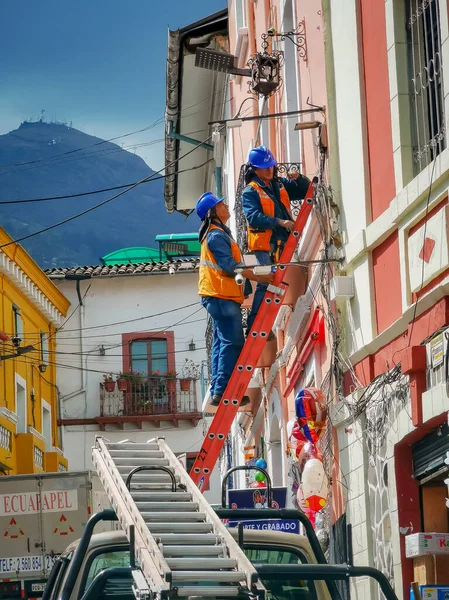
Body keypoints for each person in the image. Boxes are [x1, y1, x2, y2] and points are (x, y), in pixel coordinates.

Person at [197, 192, 274, 407]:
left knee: (222, 342)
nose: (227, 206)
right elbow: (230, 267)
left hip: (219, 295)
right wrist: (259, 276)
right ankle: (222, 391)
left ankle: (217, 390)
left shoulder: (217, 233)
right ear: (213, 212)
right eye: (222, 204)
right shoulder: (215, 236)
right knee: (233, 342)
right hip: (221, 296)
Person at [242, 145, 310, 337]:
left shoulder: (278, 184)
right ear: (254, 169)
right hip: (265, 245)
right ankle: (254, 324)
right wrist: (279, 221)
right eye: (265, 167)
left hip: (281, 242)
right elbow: (253, 217)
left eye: (271, 166)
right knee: (266, 282)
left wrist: (299, 178)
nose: (270, 170)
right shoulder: (250, 191)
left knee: (275, 282)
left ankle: (261, 322)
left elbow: (302, 191)